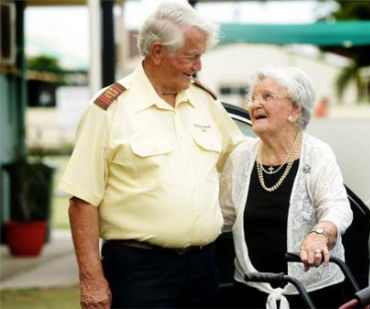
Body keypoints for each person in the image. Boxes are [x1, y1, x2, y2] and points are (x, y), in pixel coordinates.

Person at [59, 1, 244, 308]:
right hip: (139, 272)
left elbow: (242, 160)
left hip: (203, 268)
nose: (198, 66)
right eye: (191, 56)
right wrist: (92, 280)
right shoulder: (109, 108)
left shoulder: (204, 102)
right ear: (158, 51)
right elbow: (82, 201)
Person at [220, 66, 353, 309]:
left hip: (313, 296)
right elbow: (221, 217)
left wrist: (319, 234)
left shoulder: (317, 154)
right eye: (253, 98)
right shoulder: (240, 158)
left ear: (294, 110)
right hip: (251, 293)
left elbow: (337, 208)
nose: (255, 104)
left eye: (267, 97)